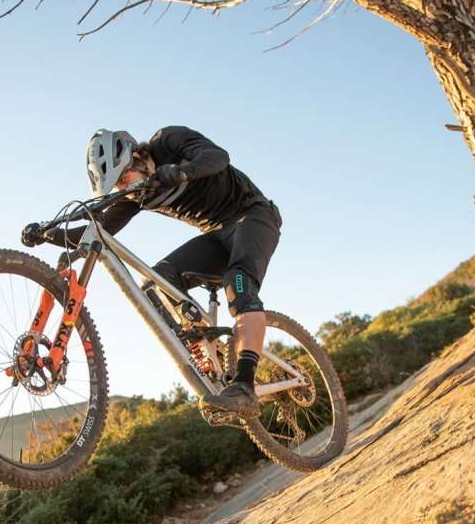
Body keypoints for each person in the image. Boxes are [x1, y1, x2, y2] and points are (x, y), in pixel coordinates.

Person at [22, 126, 282, 419]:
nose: (125, 190)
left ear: (136, 157)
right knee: (157, 281)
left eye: (123, 179)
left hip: (253, 214)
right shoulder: (136, 195)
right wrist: (48, 234)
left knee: (239, 285)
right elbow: (97, 230)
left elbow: (218, 157)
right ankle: (206, 347)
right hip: (216, 234)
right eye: (117, 188)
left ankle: (245, 389)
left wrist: (182, 171)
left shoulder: (168, 141)